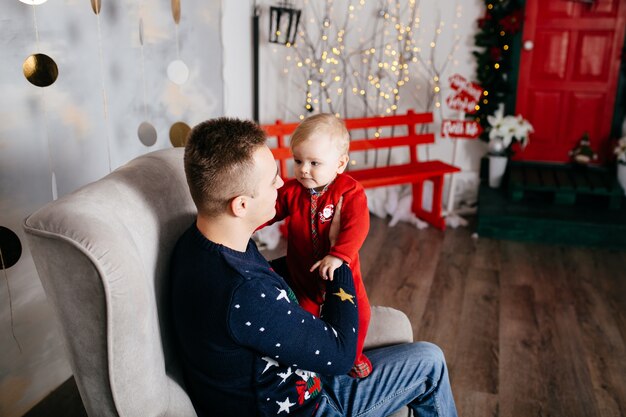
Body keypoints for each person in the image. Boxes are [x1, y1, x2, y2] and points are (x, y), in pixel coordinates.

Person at [170, 117, 458, 417]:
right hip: (306, 407)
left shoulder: (200, 244)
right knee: (431, 363)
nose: (283, 183)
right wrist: (338, 256)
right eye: (272, 181)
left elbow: (262, 284)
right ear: (240, 205)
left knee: (425, 354)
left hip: (295, 381)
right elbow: (343, 356)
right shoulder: (244, 295)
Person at [264, 113, 372, 378]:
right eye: (298, 160)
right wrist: (247, 224)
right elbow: (271, 209)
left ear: (340, 164)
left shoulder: (348, 192)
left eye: (314, 163)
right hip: (304, 278)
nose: (303, 169)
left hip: (342, 275)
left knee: (362, 314)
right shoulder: (292, 191)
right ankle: (311, 365)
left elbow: (357, 225)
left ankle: (354, 357)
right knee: (305, 321)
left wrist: (338, 255)